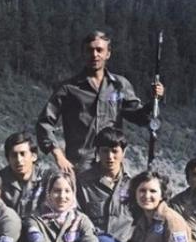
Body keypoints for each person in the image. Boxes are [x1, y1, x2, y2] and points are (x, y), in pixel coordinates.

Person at [36, 29, 165, 173]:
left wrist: (155, 100)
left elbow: (140, 117)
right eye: (90, 50)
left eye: (99, 50)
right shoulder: (68, 89)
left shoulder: (119, 86)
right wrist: (58, 155)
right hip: (80, 168)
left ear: (108, 53)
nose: (94, 55)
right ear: (83, 53)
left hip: (112, 166)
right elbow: (44, 122)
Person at [76, 127, 133, 242]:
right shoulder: (83, 183)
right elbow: (76, 217)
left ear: (124, 152)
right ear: (98, 152)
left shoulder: (134, 184)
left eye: (115, 151)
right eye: (105, 151)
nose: (110, 156)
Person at [0, 130, 48, 221]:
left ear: (33, 156)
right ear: (8, 158)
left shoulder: (47, 180)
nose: (19, 160)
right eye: (14, 155)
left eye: (23, 154)